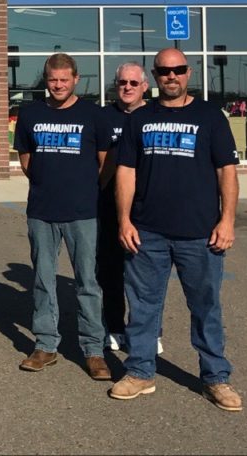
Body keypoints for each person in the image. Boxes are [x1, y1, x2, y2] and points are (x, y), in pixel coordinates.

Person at [110, 48, 243, 412]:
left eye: (178, 70)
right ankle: (139, 371)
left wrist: (227, 219)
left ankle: (216, 378)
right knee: (143, 307)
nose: (172, 76)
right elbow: (126, 171)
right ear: (155, 75)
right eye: (164, 71)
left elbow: (226, 171)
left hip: (200, 233)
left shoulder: (210, 117)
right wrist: (124, 220)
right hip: (147, 232)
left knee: (206, 308)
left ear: (189, 72)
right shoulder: (140, 119)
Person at [13, 52, 110, 381]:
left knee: (88, 283)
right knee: (42, 281)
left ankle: (94, 350)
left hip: (83, 212)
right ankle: (45, 345)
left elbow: (104, 162)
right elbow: (27, 160)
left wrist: (81, 189)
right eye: (52, 80)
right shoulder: (30, 115)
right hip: (42, 211)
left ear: (75, 80)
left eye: (63, 80)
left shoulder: (93, 115)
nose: (57, 85)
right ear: (46, 80)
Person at [97, 61, 163, 354]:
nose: (127, 87)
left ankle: (149, 332)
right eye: (122, 82)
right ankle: (114, 327)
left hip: (148, 209)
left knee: (146, 277)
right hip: (110, 207)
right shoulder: (102, 117)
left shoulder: (155, 115)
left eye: (133, 83)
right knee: (110, 272)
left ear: (145, 86)